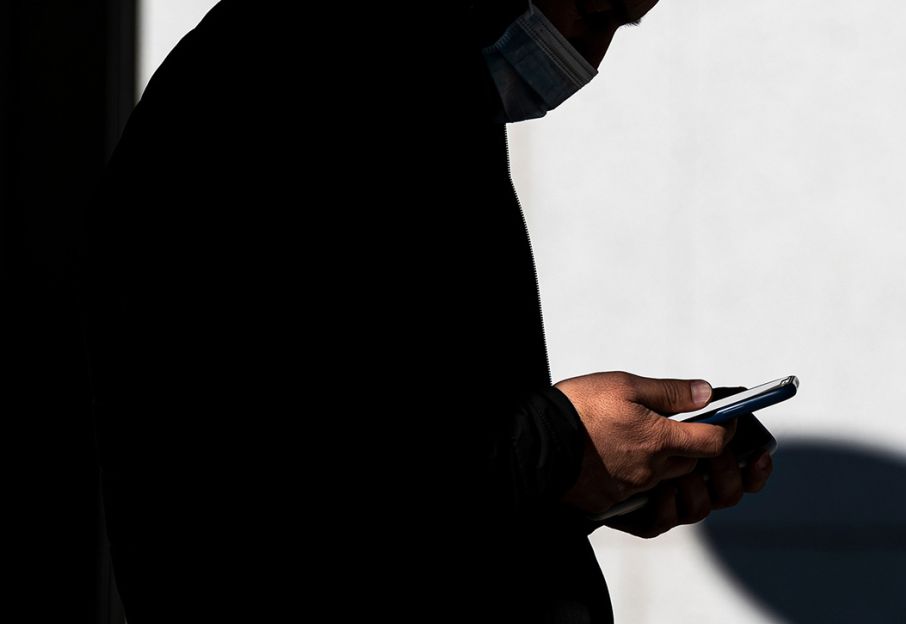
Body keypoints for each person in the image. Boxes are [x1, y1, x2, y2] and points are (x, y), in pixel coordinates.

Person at [82, 0, 773, 621]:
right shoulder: (289, 85)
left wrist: (598, 485)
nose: (588, 62)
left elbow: (414, 450)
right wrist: (561, 451)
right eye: (593, 16)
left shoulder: (408, 80)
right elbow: (267, 481)